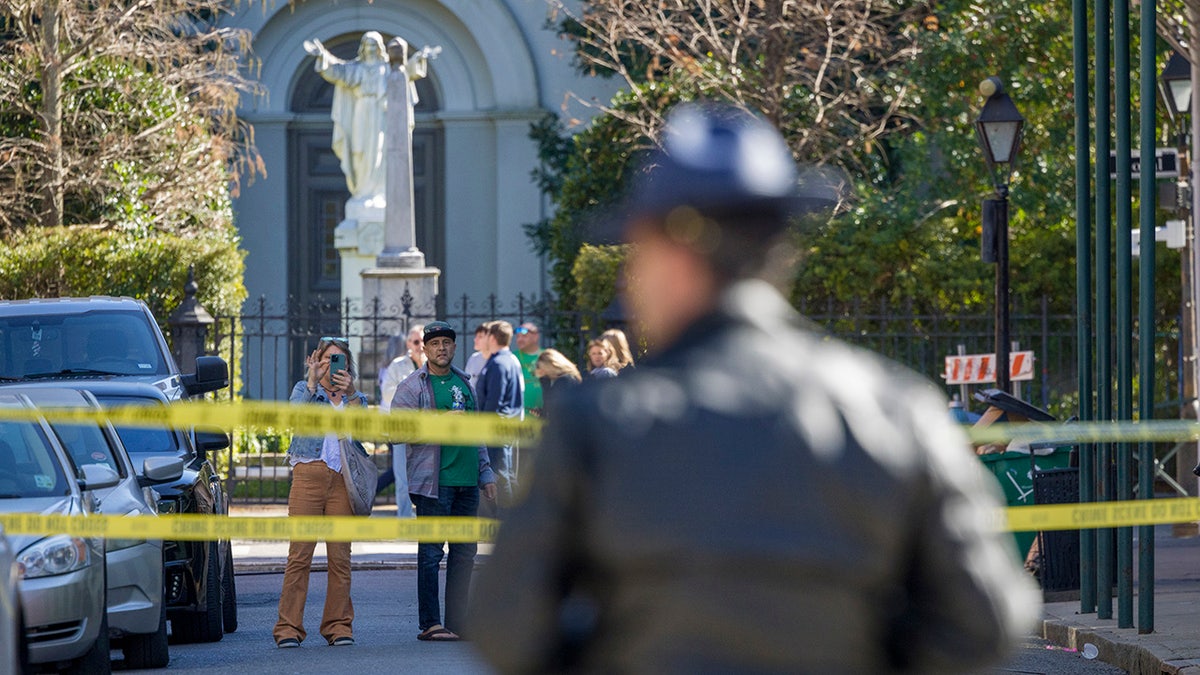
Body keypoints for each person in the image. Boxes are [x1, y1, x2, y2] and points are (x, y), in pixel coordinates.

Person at [470, 103, 1039, 673]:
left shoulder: (599, 423)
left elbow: (507, 626)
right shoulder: (896, 408)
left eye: (637, 254)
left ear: (676, 254)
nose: (630, 278)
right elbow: (985, 618)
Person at [391, 321, 497, 642]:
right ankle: (430, 624)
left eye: (446, 343)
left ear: (454, 347)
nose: (441, 348)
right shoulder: (412, 386)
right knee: (431, 554)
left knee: (465, 554)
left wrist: (486, 473)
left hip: (467, 482)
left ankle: (458, 622)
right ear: (425, 349)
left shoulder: (464, 383)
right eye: (434, 343)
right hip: (433, 483)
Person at [274, 337, 368, 649]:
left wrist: (352, 393)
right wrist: (312, 382)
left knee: (340, 558)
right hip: (308, 478)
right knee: (299, 556)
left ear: (348, 366)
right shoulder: (305, 391)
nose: (332, 364)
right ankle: (288, 629)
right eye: (327, 358)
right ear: (317, 360)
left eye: (339, 359)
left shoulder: (355, 399)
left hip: (342, 482)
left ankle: (338, 626)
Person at [303, 32, 390, 199]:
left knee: (378, 149)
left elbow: (404, 75)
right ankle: (361, 190)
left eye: (374, 45)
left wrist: (418, 60)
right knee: (359, 150)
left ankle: (376, 191)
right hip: (361, 109)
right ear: (362, 48)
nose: (370, 49)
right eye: (367, 45)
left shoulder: (385, 69)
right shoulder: (356, 68)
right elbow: (337, 71)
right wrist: (323, 55)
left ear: (379, 48)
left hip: (379, 112)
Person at [476, 320, 524, 515]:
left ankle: (508, 521)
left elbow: (494, 400)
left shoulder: (499, 363)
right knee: (507, 473)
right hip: (507, 426)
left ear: (493, 337)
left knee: (501, 475)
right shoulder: (510, 359)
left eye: (486, 335)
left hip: (496, 427)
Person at [379, 324, 425, 413]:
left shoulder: (434, 364)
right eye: (416, 342)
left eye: (424, 341)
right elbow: (387, 394)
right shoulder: (397, 364)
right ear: (409, 344)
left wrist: (421, 365)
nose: (421, 345)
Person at [532, 348, 581, 415]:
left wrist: (545, 382)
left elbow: (552, 408)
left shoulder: (563, 381)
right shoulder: (570, 377)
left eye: (542, 368)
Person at [513, 323, 543, 416]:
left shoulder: (547, 356)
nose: (519, 339)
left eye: (524, 336)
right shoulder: (512, 357)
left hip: (545, 415)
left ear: (535, 337)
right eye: (518, 337)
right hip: (520, 415)